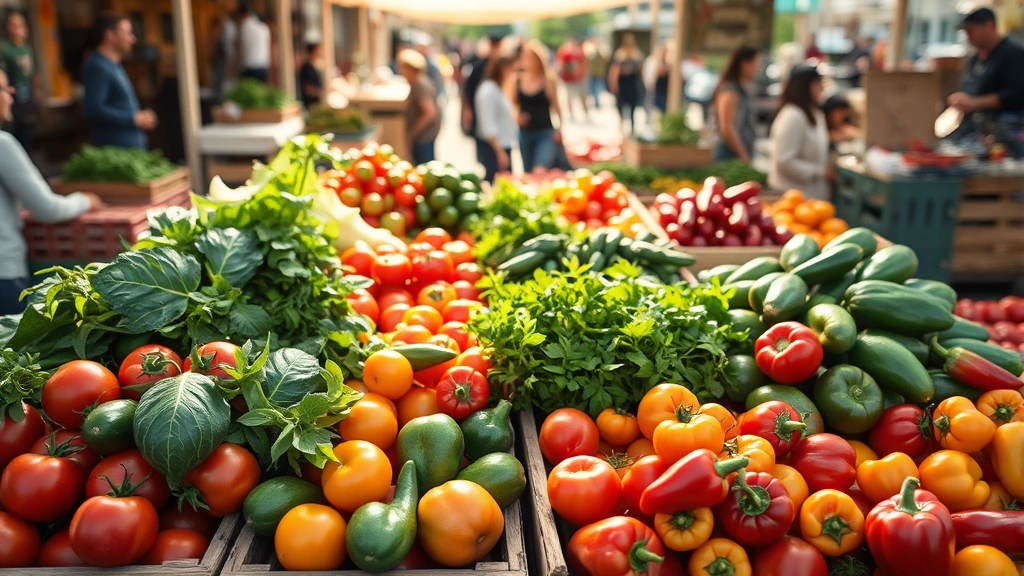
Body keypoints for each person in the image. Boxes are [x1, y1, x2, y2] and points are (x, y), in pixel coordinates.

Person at [0, 69, 102, 314]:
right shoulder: (3, 144)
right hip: (4, 278)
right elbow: (47, 208)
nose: (11, 96)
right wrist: (85, 200)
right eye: (4, 89)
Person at [82, 12, 156, 149]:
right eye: (127, 33)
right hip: (116, 151)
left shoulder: (114, 64)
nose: (132, 39)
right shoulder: (98, 66)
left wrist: (139, 117)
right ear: (109, 35)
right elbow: (94, 109)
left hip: (130, 148)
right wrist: (133, 119)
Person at [946, 8, 1024, 138]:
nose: (968, 36)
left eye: (971, 31)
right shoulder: (974, 58)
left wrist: (976, 102)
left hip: (1004, 131)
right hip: (971, 130)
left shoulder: (1013, 54)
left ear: (989, 26)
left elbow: (1018, 93)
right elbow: (968, 87)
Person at [769, 65, 830, 200]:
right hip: (792, 198)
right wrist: (820, 172)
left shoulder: (815, 113)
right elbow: (784, 161)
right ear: (805, 86)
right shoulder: (792, 116)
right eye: (818, 83)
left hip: (811, 199)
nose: (822, 88)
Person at [706, 46, 759, 163]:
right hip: (727, 153)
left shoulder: (743, 88)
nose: (758, 68)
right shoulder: (730, 91)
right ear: (744, 64)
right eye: (755, 63)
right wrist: (743, 156)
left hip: (735, 151)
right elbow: (726, 128)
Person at [516, 41, 563, 173]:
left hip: (545, 132)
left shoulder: (548, 80)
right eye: (524, 57)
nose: (527, 61)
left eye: (530, 57)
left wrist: (560, 129)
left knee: (540, 170)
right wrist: (517, 115)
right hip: (525, 133)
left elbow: (557, 106)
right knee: (528, 171)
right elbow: (512, 104)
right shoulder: (517, 80)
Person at [474, 56, 517, 183]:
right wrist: (499, 151)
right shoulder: (488, 90)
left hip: (501, 144)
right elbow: (487, 125)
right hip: (494, 146)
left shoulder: (497, 88)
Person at [397, 49, 441, 166]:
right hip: (426, 135)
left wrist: (413, 133)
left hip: (424, 137)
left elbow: (429, 112)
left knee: (425, 168)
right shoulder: (422, 82)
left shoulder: (419, 85)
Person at [1, 12, 34, 151]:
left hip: (26, 96)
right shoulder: (5, 49)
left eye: (20, 25)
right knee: (12, 134)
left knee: (26, 133)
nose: (17, 29)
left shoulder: (26, 48)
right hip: (11, 98)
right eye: (13, 25)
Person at [608, 33, 645, 136]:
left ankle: (631, 127)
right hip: (624, 82)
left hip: (632, 81)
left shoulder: (636, 54)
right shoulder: (620, 54)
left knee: (632, 106)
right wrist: (613, 83)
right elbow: (615, 70)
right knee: (621, 105)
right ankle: (622, 125)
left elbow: (640, 69)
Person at [236, 3, 271, 82]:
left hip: (249, 68)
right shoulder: (263, 27)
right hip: (263, 66)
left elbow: (240, 49)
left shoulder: (243, 27)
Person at [556, 37, 588, 121]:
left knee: (582, 96)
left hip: (579, 78)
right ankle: (571, 114)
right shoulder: (563, 52)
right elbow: (560, 64)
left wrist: (581, 73)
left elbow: (583, 63)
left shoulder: (579, 52)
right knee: (569, 97)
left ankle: (586, 112)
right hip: (568, 79)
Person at [644, 40, 673, 115]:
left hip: (664, 88)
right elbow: (658, 73)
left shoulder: (667, 61)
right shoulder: (653, 61)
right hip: (657, 88)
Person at [583, 38, 608, 107]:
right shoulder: (589, 49)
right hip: (591, 72)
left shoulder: (602, 49)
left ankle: (596, 101)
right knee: (592, 87)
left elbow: (606, 57)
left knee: (597, 87)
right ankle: (594, 100)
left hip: (599, 72)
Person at [299, 43, 324, 109]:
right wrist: (320, 92)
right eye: (318, 50)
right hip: (310, 104)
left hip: (315, 103)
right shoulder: (307, 68)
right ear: (313, 51)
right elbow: (307, 88)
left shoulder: (313, 66)